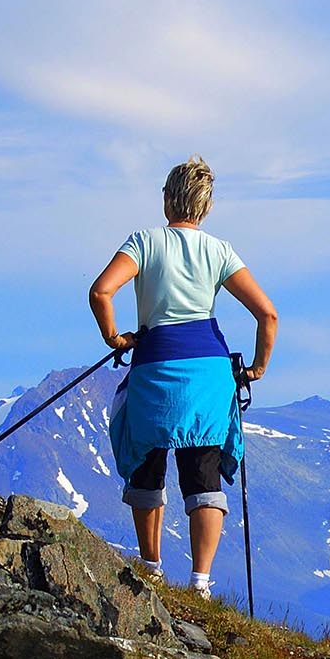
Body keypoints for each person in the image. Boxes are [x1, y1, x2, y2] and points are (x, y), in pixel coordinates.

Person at [88, 156, 277, 597]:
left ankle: (150, 566)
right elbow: (267, 314)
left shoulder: (144, 243)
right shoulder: (220, 250)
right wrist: (257, 367)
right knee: (203, 476)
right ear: (206, 206)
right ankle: (200, 582)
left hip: (154, 364)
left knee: (146, 466)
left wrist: (114, 337)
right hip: (209, 374)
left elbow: (101, 291)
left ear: (166, 198)